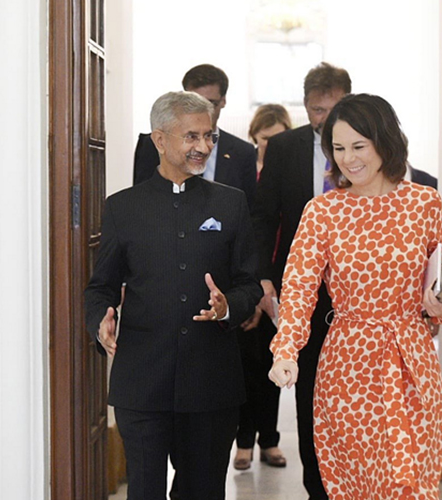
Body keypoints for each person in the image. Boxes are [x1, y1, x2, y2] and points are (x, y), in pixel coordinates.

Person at [251, 63, 440, 499]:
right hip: (347, 365)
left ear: (386, 142)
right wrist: (286, 350)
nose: (348, 159)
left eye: (359, 145)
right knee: (353, 481)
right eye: (338, 148)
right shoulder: (323, 212)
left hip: (412, 360)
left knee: (410, 477)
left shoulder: (425, 203)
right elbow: (298, 288)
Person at [84, 91, 262, 500]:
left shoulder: (230, 204)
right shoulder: (122, 209)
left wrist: (227, 307)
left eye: (210, 136)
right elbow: (101, 288)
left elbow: (249, 284)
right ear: (159, 140)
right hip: (142, 380)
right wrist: (100, 321)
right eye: (191, 136)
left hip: (211, 382)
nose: (203, 146)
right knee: (144, 490)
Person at [250, 61, 351, 500]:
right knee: (309, 393)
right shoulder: (285, 148)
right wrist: (265, 280)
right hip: (301, 289)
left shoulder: (364, 148)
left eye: (331, 109)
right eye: (314, 110)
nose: (322, 119)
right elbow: (263, 217)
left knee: (350, 396)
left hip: (357, 292)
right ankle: (318, 488)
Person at [231, 103, 294, 471]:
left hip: (282, 283)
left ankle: (269, 441)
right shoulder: (244, 172)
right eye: (266, 138)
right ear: (255, 136)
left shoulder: (290, 174)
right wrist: (252, 286)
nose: (272, 145)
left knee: (274, 364)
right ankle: (243, 442)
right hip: (245, 283)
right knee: (243, 366)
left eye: (279, 138)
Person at [133, 64, 258, 209]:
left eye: (210, 103)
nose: (203, 111)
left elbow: (250, 211)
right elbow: (141, 200)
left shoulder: (242, 152)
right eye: (194, 102)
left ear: (223, 101)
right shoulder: (153, 144)